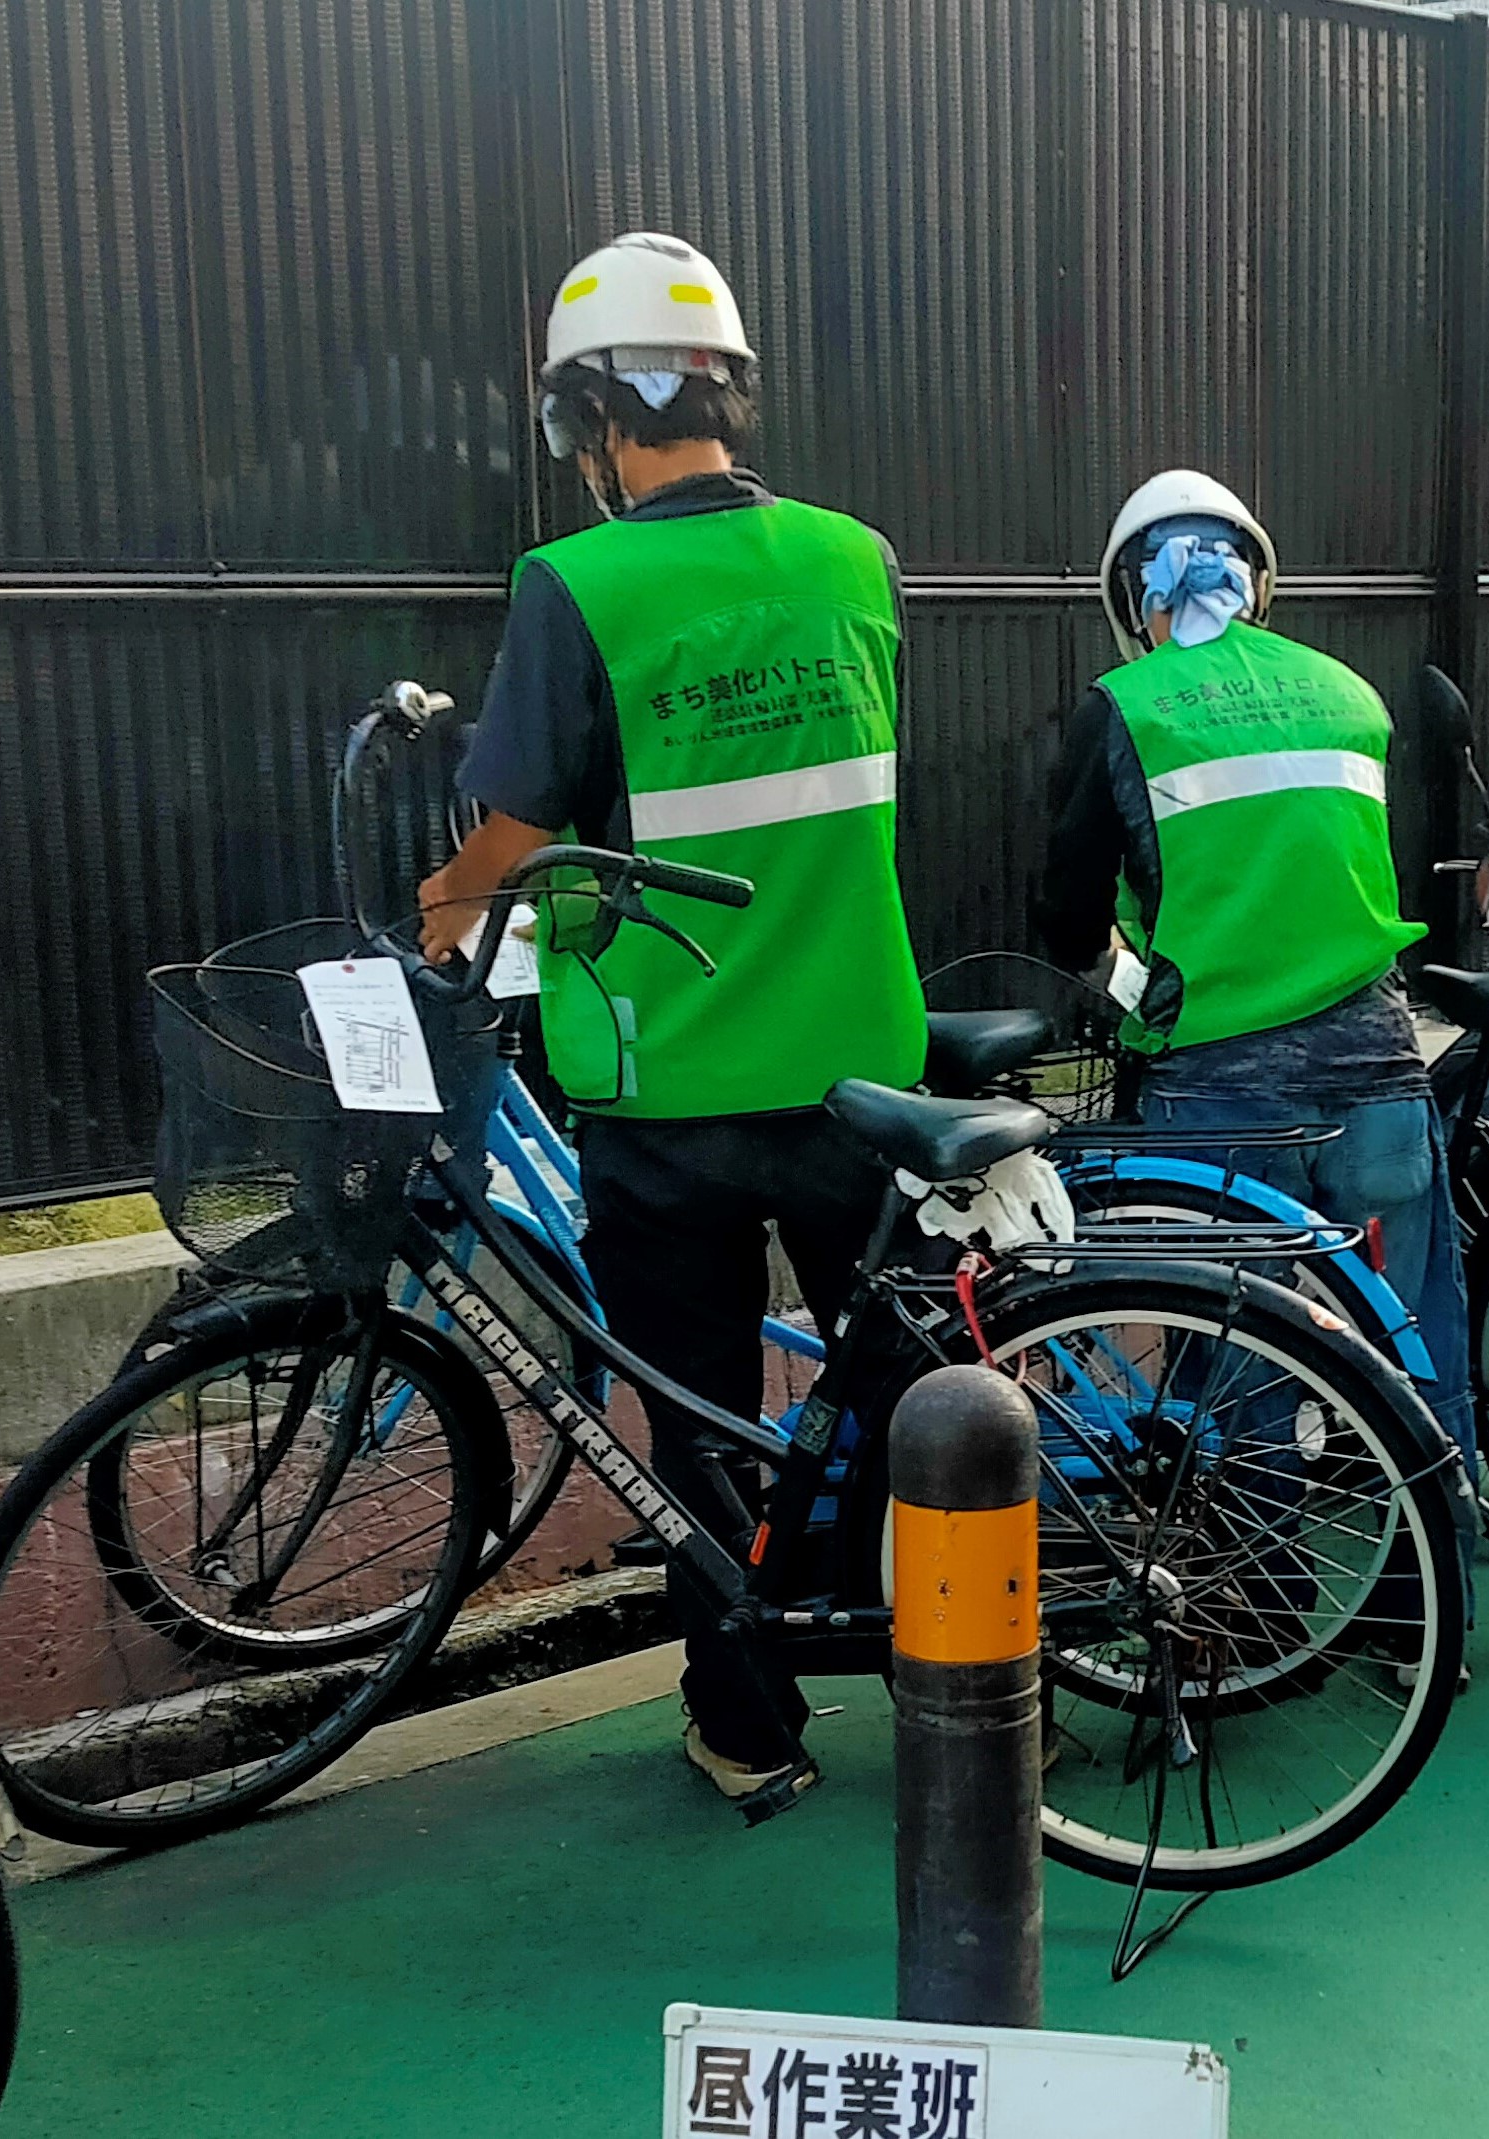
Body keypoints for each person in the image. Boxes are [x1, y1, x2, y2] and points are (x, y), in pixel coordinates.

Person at [416, 232, 924, 1814]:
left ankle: (748, 1722)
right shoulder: (857, 558)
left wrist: (439, 907)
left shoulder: (574, 585)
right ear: (727, 394)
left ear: (590, 425)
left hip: (669, 1081)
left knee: (694, 1416)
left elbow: (514, 828)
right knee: (901, 1388)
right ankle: (954, 1658)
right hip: (860, 1062)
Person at [1034, 469, 1479, 1610]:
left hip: (1216, 1085)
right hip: (1378, 1057)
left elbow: (1064, 921)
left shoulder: (1125, 708)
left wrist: (1130, 982)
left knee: (1235, 1361)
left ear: (1136, 592)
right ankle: (1432, 1612)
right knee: (1413, 1341)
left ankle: (1254, 1607)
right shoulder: (1348, 694)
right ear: (1255, 576)